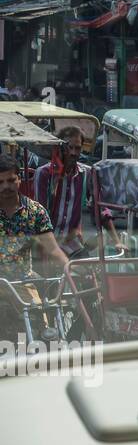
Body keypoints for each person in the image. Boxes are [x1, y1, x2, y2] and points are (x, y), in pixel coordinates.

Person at [0, 156, 70, 333]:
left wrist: (71, 269)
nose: (6, 186)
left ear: (19, 179)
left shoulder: (35, 211)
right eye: (0, 182)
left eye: (10, 180)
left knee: (40, 327)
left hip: (21, 283)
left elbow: (53, 248)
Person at [32, 126, 88, 257]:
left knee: (87, 270)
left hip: (70, 240)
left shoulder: (84, 174)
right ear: (60, 147)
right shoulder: (44, 173)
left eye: (78, 148)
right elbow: (40, 214)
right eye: (70, 147)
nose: (74, 152)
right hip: (46, 239)